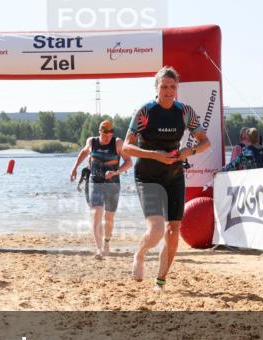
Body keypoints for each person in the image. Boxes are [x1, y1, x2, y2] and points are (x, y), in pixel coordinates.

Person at [122, 66, 210, 292]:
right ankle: (140, 254)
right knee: (156, 230)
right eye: (164, 87)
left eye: (172, 87)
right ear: (157, 88)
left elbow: (204, 141)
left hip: (173, 175)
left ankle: (160, 280)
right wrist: (155, 155)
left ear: (177, 88)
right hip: (148, 175)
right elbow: (127, 146)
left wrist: (187, 152)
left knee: (173, 230)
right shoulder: (145, 112)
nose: (169, 91)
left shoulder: (184, 112)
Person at [70, 119, 131, 259]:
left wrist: (116, 172)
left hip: (113, 183)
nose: (108, 136)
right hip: (95, 181)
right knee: (96, 213)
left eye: (110, 133)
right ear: (100, 131)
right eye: (105, 133)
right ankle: (98, 249)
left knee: (109, 217)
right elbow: (83, 153)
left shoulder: (118, 143)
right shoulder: (92, 142)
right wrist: (74, 168)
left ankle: (107, 242)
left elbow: (129, 162)